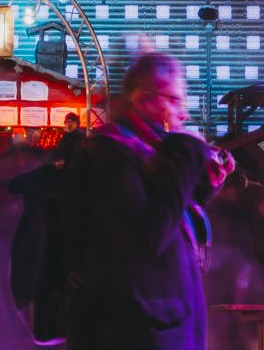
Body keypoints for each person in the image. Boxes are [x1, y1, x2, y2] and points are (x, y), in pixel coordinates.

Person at [61, 53, 235, 349]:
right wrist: (184, 157)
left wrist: (203, 184)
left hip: (157, 327)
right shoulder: (110, 154)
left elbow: (168, 215)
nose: (184, 114)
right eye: (175, 100)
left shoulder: (148, 152)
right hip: (133, 331)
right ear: (145, 101)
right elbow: (145, 237)